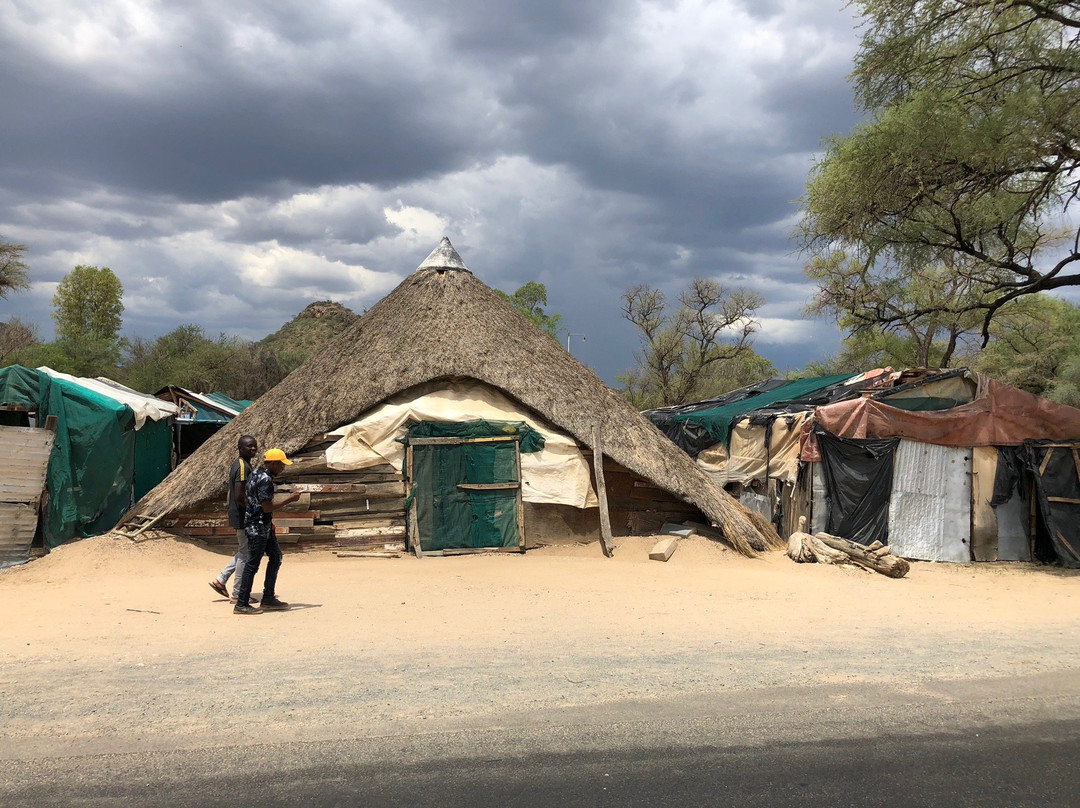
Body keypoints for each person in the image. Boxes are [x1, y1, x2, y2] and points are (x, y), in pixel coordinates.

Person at [233, 448, 301, 615]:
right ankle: (241, 603)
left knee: (276, 556)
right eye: (281, 465)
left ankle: (268, 598)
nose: (282, 469)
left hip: (263, 525)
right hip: (257, 527)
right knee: (252, 564)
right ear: (272, 463)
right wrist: (290, 500)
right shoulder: (265, 480)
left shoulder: (256, 473)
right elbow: (267, 507)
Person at [208, 434, 259, 603]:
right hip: (242, 515)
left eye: (254, 446)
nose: (253, 449)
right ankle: (238, 594)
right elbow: (239, 495)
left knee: (243, 550)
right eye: (249, 446)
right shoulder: (243, 467)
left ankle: (221, 580)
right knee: (246, 553)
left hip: (240, 514)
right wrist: (253, 512)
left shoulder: (243, 464)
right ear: (240, 448)